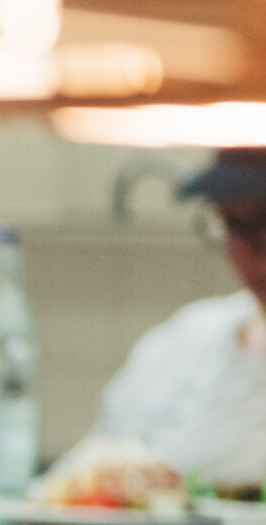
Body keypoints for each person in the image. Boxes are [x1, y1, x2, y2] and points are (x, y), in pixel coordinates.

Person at [90, 149, 266, 488]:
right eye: (231, 224)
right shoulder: (185, 340)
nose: (244, 252)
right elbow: (89, 475)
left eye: (263, 222)